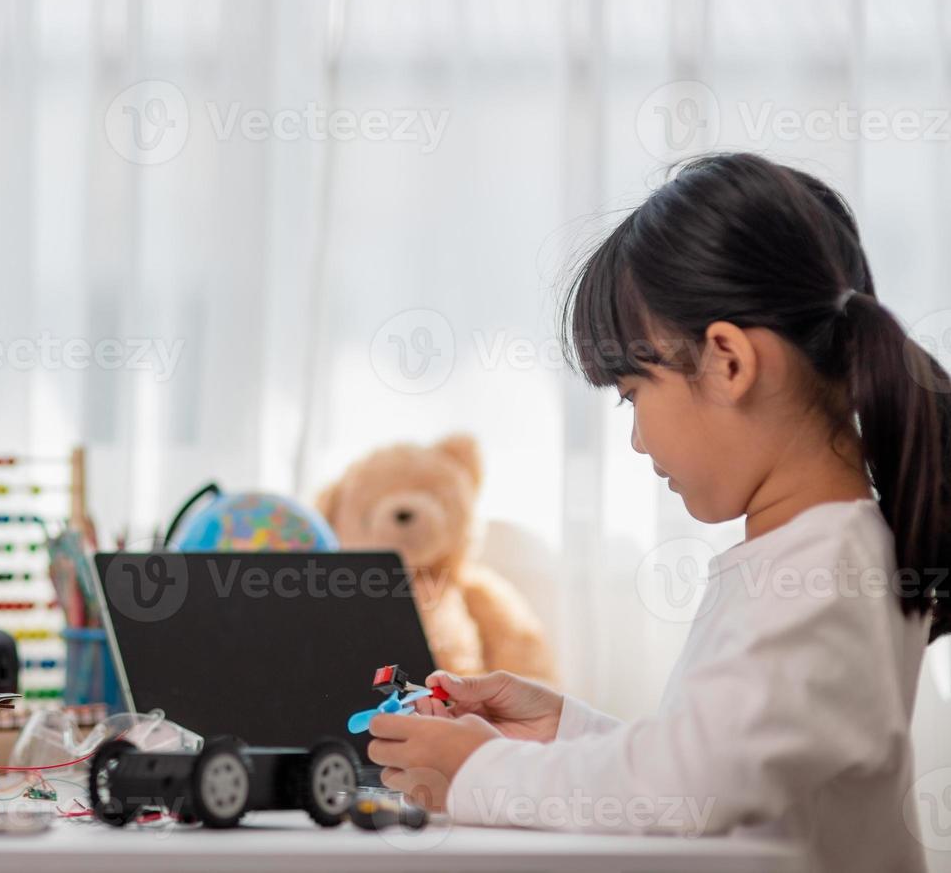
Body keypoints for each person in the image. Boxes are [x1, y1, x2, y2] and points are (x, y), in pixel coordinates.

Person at [367, 154, 947, 873]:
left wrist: (481, 771)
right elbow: (720, 764)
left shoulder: (826, 569)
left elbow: (687, 788)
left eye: (634, 393)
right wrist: (561, 732)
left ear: (728, 362)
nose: (638, 439)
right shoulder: (814, 554)